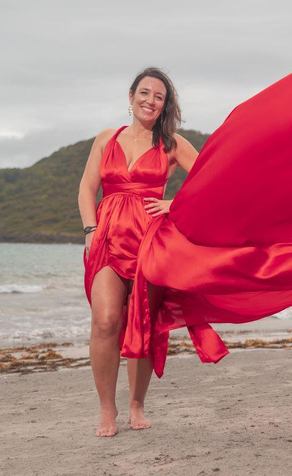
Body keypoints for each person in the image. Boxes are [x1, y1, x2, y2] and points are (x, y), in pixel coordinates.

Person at [77, 67, 199, 437]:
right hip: (107, 239)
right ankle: (106, 409)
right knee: (106, 321)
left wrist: (174, 204)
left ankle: (136, 404)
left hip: (150, 243)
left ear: (165, 106)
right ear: (130, 98)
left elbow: (210, 180)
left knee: (142, 324)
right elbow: (86, 188)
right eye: (144, 93)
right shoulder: (105, 138)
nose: (150, 101)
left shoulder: (172, 143)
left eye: (158, 97)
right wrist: (89, 230)